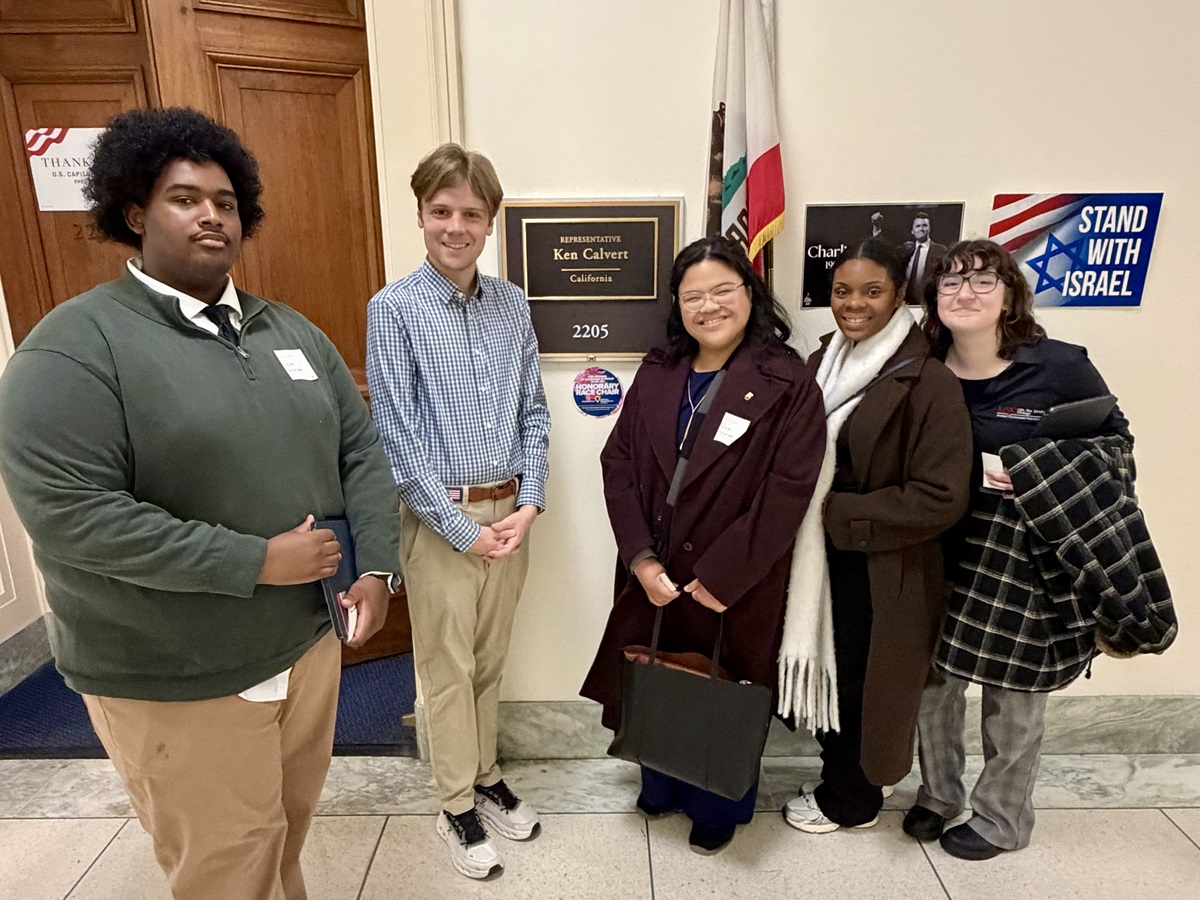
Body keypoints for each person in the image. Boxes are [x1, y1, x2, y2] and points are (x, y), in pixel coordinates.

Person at [0, 107, 400, 900]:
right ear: (134, 212)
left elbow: (362, 450)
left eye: (225, 200)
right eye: (185, 198)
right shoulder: (74, 348)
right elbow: (73, 516)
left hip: (306, 643)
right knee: (224, 867)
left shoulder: (288, 332)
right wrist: (255, 561)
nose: (211, 214)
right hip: (176, 671)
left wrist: (379, 567)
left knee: (283, 832)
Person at [581, 236, 827, 855]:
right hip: (653, 569)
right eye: (693, 296)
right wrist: (639, 557)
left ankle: (718, 804)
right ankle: (660, 784)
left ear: (750, 293)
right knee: (656, 672)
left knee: (722, 692)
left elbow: (788, 490)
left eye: (723, 290)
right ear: (677, 305)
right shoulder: (659, 368)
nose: (709, 306)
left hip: (734, 580)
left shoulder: (788, 380)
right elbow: (619, 461)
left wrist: (722, 577)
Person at [904, 238, 1132, 860]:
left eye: (982, 281)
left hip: (1027, 563)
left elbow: (1116, 452)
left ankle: (1002, 819)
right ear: (933, 300)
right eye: (949, 284)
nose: (965, 294)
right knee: (932, 686)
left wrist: (1032, 469)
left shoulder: (1060, 367)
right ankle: (938, 794)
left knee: (1014, 697)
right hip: (940, 551)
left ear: (1009, 296)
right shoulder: (922, 366)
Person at [365, 143, 551, 880]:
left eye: (471, 213)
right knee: (444, 668)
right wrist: (460, 529)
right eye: (441, 211)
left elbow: (534, 412)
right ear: (420, 215)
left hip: (511, 517)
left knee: (489, 661)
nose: (455, 226)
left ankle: (485, 772)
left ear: (490, 222)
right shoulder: (395, 308)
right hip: (441, 520)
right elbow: (395, 435)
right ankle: (453, 804)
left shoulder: (513, 304)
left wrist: (530, 502)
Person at [778, 239, 972, 834]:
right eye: (842, 291)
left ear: (899, 296)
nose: (854, 304)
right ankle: (838, 776)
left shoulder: (927, 380)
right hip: (823, 561)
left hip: (884, 567)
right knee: (838, 671)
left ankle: (853, 801)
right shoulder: (823, 363)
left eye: (871, 291)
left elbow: (941, 497)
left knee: (867, 688)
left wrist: (840, 514)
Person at [899, 211, 946, 305]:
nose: (921, 229)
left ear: (929, 229)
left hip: (929, 303)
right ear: (912, 231)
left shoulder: (940, 251)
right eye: (918, 226)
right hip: (905, 303)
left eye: (924, 225)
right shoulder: (904, 250)